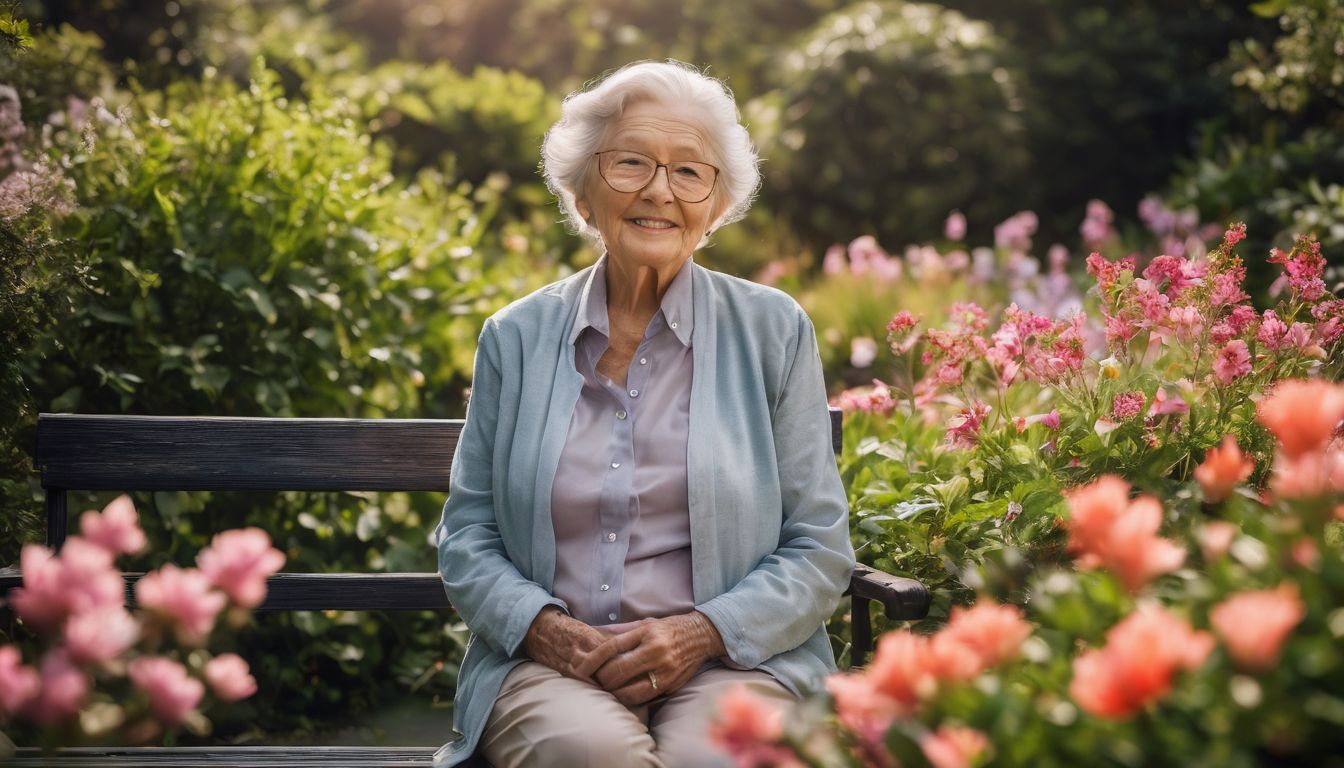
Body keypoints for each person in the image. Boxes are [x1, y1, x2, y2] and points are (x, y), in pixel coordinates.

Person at [432, 60, 855, 768]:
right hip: (554, 669)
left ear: (715, 205)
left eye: (690, 172)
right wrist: (546, 631)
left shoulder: (773, 330)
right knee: (584, 752)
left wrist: (703, 632)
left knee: (717, 759)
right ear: (583, 192)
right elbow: (467, 534)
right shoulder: (516, 335)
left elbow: (818, 545)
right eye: (631, 162)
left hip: (735, 663)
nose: (659, 189)